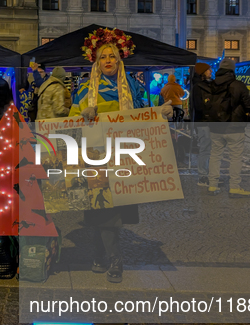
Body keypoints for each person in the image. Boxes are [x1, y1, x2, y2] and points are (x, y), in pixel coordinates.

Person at [69, 28, 173, 283]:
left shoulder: (133, 89)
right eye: (103, 56)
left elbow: (143, 114)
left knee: (111, 213)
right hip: (95, 158)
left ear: (119, 60)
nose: (108, 61)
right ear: (97, 61)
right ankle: (110, 257)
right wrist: (83, 115)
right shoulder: (85, 90)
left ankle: (104, 256)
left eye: (112, 56)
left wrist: (160, 111)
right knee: (99, 210)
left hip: (124, 157)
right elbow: (69, 122)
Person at [204, 58, 250, 197]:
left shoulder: (210, 85)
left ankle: (212, 185)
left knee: (215, 156)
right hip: (234, 127)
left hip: (215, 127)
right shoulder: (238, 85)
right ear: (232, 70)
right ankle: (234, 187)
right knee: (235, 157)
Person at [192, 62, 214, 187]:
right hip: (203, 122)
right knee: (205, 149)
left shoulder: (209, 84)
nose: (210, 72)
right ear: (202, 72)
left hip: (210, 122)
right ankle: (203, 177)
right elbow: (199, 106)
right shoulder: (198, 87)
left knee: (211, 150)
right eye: (208, 70)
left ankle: (210, 175)